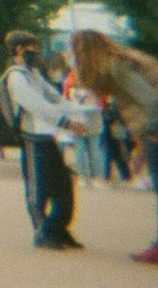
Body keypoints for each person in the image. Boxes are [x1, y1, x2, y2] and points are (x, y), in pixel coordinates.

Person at [68, 30, 158, 263]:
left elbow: (151, 100)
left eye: (77, 51)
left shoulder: (118, 67)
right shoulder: (122, 62)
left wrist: (152, 130)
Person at [2, 29, 96, 250]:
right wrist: (66, 122)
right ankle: (42, 232)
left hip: (47, 137)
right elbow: (37, 106)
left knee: (63, 185)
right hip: (32, 138)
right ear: (19, 49)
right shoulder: (16, 77)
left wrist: (81, 111)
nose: (36, 52)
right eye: (32, 47)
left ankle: (58, 229)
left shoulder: (33, 74)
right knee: (38, 188)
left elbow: (54, 98)